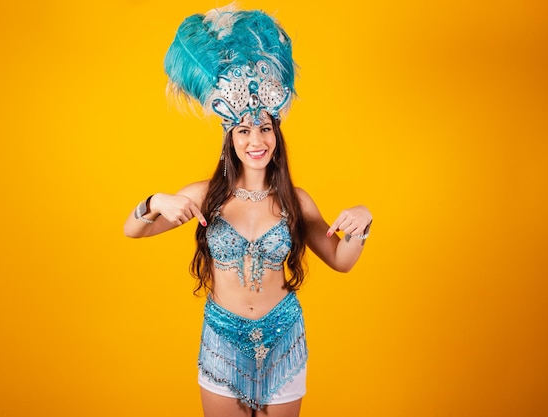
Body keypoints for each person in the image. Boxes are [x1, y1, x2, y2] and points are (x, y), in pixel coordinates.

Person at [124, 5, 372, 417]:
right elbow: (133, 230)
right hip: (222, 342)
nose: (255, 140)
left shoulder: (297, 200)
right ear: (230, 139)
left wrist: (362, 222)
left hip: (283, 339)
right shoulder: (204, 196)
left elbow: (341, 260)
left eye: (264, 128)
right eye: (243, 130)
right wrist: (154, 202)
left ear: (276, 134)